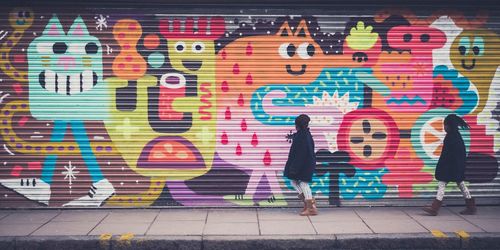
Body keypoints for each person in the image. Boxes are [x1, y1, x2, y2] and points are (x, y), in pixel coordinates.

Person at [423, 114, 476, 216]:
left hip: (450, 168)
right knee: (461, 185)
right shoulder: (455, 136)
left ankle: (434, 208)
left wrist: (443, 165)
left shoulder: (452, 137)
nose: (444, 127)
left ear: (450, 125)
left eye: (445, 125)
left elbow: (447, 155)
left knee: (443, 184)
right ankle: (471, 206)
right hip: (455, 168)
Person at [284, 114, 317, 216]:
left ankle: (311, 208)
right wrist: (291, 136)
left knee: (303, 184)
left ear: (298, 125)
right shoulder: (303, 134)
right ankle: (308, 204)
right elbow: (297, 139)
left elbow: (301, 154)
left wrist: (294, 168)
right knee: (294, 182)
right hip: (303, 164)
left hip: (304, 165)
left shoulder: (304, 136)